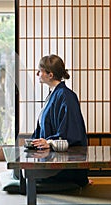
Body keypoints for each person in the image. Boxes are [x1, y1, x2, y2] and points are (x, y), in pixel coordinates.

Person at [30, 54, 89, 187]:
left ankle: (73, 180)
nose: (37, 73)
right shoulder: (54, 94)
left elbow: (72, 134)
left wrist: (49, 142)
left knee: (26, 176)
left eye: (40, 71)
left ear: (50, 75)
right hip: (49, 156)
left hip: (62, 163)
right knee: (19, 172)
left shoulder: (66, 96)